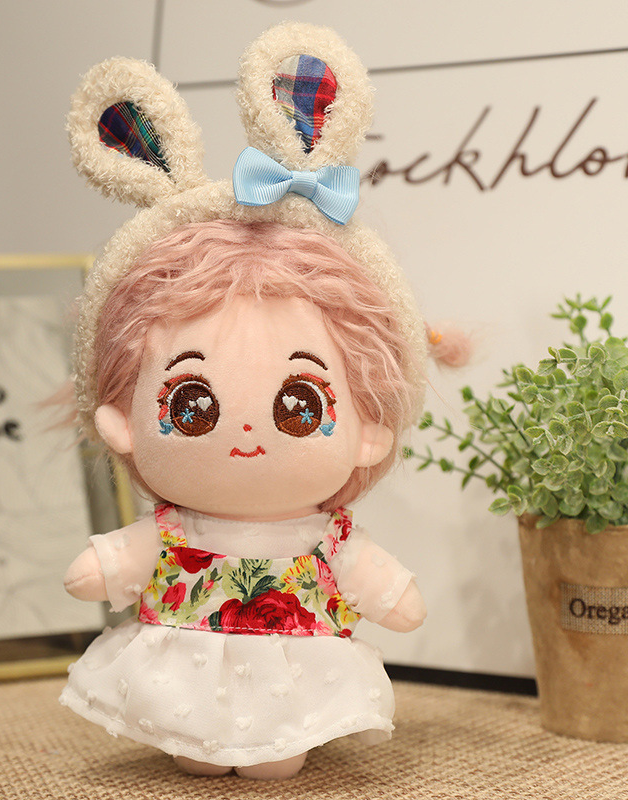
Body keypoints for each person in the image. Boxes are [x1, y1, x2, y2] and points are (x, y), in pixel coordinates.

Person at [59, 23, 467, 780]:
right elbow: (113, 563)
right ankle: (194, 740)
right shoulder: (176, 527)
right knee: (191, 743)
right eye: (191, 407)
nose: (247, 431)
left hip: (295, 681)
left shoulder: (326, 535)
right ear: (122, 418)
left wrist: (393, 594)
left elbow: (380, 586)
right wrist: (105, 564)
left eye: (300, 407)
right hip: (180, 672)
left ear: (368, 430)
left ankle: (276, 748)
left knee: (279, 760)